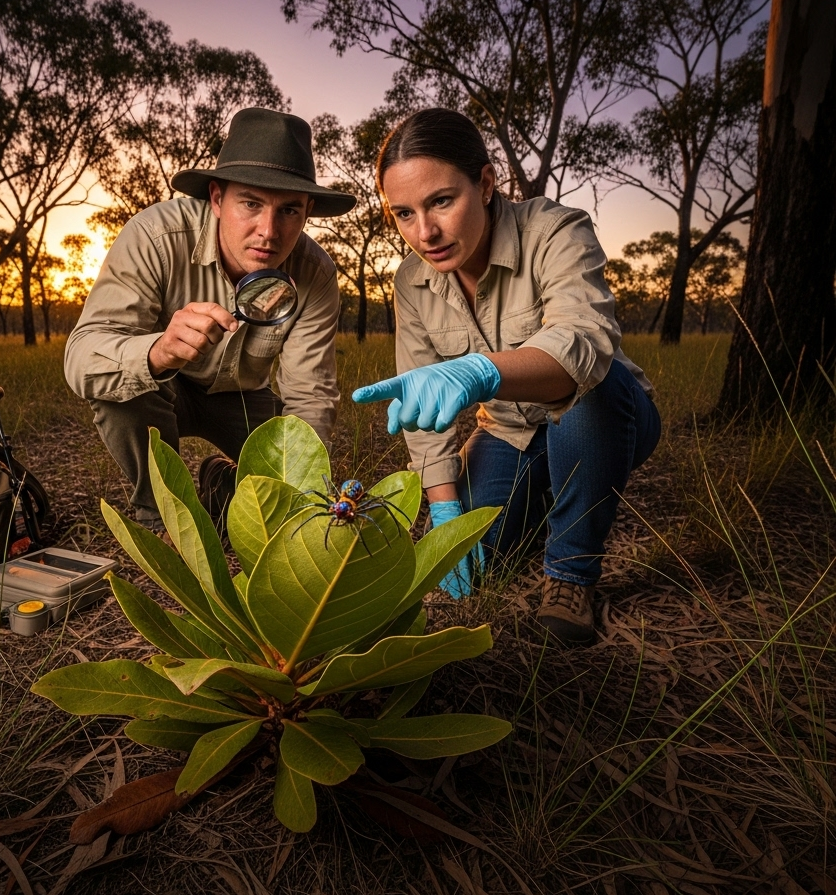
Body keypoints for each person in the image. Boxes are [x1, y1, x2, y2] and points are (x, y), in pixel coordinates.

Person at [353, 108, 660, 647]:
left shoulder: (555, 230)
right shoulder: (412, 281)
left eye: (442, 201)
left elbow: (584, 344)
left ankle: (569, 574)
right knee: (479, 558)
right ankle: (549, 499)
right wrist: (444, 509)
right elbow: (423, 408)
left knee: (591, 385)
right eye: (403, 213)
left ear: (487, 183)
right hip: (508, 432)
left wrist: (481, 370)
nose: (424, 232)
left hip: (603, 411)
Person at [65, 108, 356, 532]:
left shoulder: (316, 273)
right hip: (162, 386)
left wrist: (302, 487)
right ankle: (164, 516)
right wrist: (156, 351)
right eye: (251, 203)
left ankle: (222, 484)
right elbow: (81, 357)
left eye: (290, 210)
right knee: (120, 391)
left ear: (309, 210)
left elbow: (310, 395)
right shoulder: (154, 237)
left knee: (286, 506)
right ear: (217, 198)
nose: (269, 231)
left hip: (245, 396)